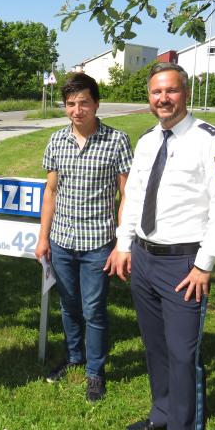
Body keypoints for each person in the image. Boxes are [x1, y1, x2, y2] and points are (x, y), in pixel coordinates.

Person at [112, 62, 215, 430]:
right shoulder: (147, 141)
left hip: (185, 265)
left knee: (185, 359)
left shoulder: (213, 142)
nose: (162, 99)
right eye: (154, 93)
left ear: (185, 93)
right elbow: (132, 198)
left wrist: (205, 264)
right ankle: (161, 414)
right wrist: (124, 244)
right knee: (155, 347)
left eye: (170, 91)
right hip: (145, 260)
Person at [35, 72, 132, 402]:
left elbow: (126, 195)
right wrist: (43, 237)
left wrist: (122, 242)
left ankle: (95, 371)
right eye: (71, 104)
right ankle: (74, 357)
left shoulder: (116, 140)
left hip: (97, 242)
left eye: (84, 103)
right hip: (62, 240)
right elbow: (50, 192)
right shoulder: (56, 141)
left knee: (94, 309)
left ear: (96, 104)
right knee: (69, 306)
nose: (77, 110)